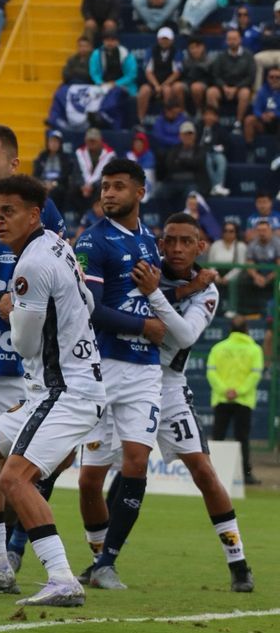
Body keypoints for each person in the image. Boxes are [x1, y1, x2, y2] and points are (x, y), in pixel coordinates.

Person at [0, 175, 103, 607]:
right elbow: (87, 303)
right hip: (57, 389)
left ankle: (63, 578)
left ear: (34, 214)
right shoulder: (57, 244)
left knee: (14, 477)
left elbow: (25, 344)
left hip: (64, 391)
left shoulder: (30, 265)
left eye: (8, 211)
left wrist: (11, 308)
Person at [132, 214, 254, 591]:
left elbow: (184, 336)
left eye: (187, 241)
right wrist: (165, 292)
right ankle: (100, 558)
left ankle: (239, 563)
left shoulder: (208, 289)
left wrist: (156, 295)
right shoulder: (141, 270)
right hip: (127, 376)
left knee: (202, 470)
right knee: (103, 471)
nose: (178, 249)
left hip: (169, 385)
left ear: (201, 246)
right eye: (171, 241)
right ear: (161, 243)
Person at [68, 159, 164, 590]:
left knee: (137, 461)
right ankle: (94, 556)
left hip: (144, 370)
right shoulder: (93, 242)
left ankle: (108, 561)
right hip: (102, 369)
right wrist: (144, 325)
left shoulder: (149, 240)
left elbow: (155, 293)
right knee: (90, 479)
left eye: (118, 187)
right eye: (105, 186)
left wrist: (190, 286)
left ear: (139, 192)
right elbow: (92, 308)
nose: (108, 194)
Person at [208, 318, 263, 488]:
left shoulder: (218, 348)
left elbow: (211, 373)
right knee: (243, 438)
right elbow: (255, 375)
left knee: (218, 437)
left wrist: (225, 390)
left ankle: (211, 472)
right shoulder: (254, 349)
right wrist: (238, 392)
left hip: (221, 398)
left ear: (230, 329)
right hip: (243, 400)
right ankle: (246, 475)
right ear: (246, 330)